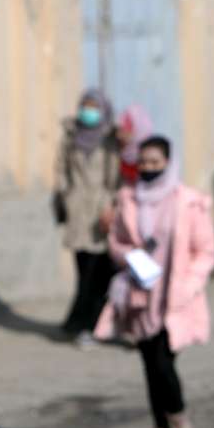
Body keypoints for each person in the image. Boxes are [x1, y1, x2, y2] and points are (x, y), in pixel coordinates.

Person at [95, 135, 214, 428]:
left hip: (175, 298)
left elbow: (205, 252)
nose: (148, 168)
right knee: (150, 368)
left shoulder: (188, 202)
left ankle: (180, 423)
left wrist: (189, 286)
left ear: (168, 162)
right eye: (143, 162)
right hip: (140, 296)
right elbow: (116, 242)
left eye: (155, 162)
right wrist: (130, 257)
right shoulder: (129, 199)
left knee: (164, 363)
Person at [54, 89, 120, 349]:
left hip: (102, 216)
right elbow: (61, 170)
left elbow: (115, 178)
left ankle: (87, 325)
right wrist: (65, 196)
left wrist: (112, 207)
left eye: (94, 107)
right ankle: (80, 323)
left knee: (100, 274)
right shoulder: (70, 137)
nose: (88, 112)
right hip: (78, 215)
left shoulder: (110, 139)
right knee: (85, 272)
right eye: (84, 106)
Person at [116, 104, 154, 185]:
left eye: (126, 129)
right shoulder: (115, 154)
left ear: (139, 130)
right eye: (120, 129)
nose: (119, 135)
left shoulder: (152, 159)